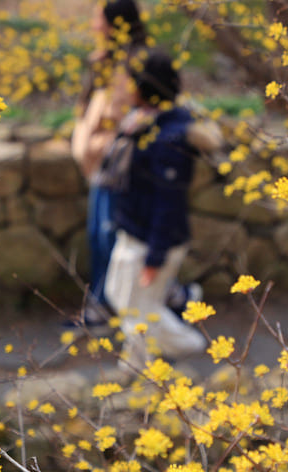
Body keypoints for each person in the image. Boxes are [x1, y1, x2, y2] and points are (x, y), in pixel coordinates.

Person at [103, 49, 217, 369]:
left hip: (149, 240)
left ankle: (142, 367)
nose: (123, 87)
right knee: (123, 298)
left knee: (136, 310)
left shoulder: (169, 137)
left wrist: (155, 258)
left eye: (129, 81)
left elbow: (169, 203)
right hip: (133, 230)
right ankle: (184, 341)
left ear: (143, 87)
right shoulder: (145, 122)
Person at [71, 0, 147, 327]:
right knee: (99, 236)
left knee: (112, 237)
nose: (93, 24)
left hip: (123, 165)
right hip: (101, 165)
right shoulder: (102, 62)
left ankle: (109, 305)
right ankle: (105, 303)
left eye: (98, 18)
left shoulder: (138, 63)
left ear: (116, 24)